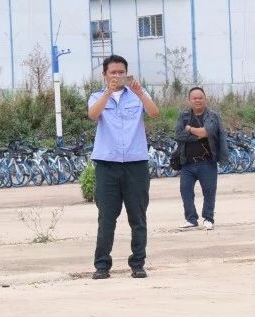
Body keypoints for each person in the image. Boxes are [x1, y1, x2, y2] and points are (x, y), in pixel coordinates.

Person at [87, 54, 161, 279]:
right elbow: (92, 115)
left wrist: (140, 93)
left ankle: (138, 263)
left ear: (127, 73)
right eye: (113, 73)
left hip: (135, 163)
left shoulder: (138, 95)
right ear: (104, 75)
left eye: (121, 72)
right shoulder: (97, 96)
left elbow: (155, 112)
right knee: (106, 217)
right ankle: (102, 265)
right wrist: (109, 92)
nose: (117, 76)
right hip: (107, 164)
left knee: (138, 216)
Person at [174, 87, 229, 231]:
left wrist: (190, 129)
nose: (197, 100)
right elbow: (179, 135)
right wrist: (198, 134)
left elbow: (208, 131)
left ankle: (208, 218)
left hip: (207, 161)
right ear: (189, 100)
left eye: (200, 98)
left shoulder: (212, 116)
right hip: (187, 162)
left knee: (209, 191)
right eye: (194, 98)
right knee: (185, 190)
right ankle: (191, 219)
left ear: (205, 99)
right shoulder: (183, 116)